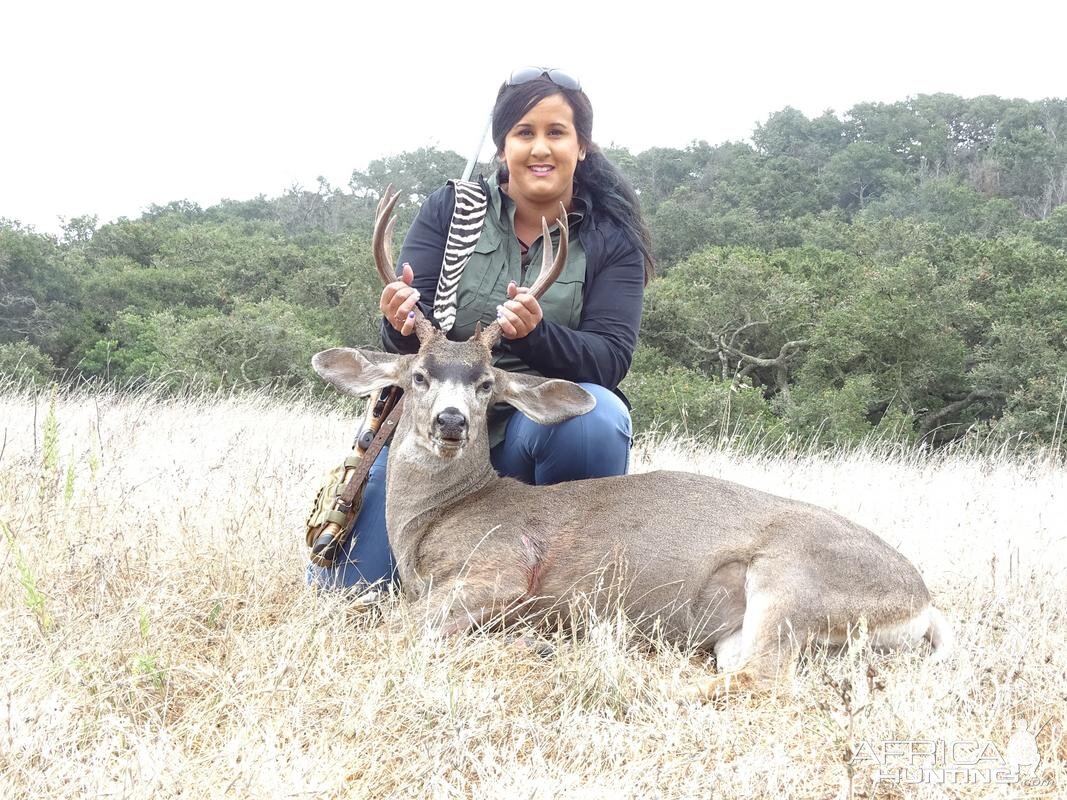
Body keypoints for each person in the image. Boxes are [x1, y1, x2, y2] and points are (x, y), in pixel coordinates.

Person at [308, 67, 654, 590]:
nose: (541, 148)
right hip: (430, 429)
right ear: (502, 147)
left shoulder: (611, 239)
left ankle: (566, 581)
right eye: (524, 133)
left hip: (528, 428)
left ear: (582, 146)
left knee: (596, 418)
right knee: (349, 592)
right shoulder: (453, 210)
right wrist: (399, 319)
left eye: (556, 132)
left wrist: (537, 336)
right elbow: (408, 343)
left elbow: (609, 360)